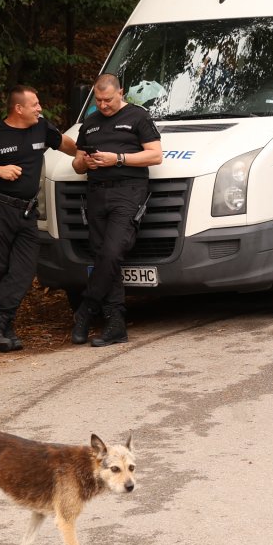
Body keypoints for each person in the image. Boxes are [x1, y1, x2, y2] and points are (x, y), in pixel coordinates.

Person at [0, 85, 78, 351]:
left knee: (24, 268)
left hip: (27, 212)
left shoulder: (42, 127)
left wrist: (85, 153)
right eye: (35, 104)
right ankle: (2, 329)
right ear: (18, 108)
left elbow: (66, 144)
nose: (40, 108)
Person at [71, 73, 164, 346]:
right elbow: (76, 164)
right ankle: (115, 323)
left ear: (120, 92)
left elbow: (155, 155)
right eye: (98, 100)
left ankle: (86, 311)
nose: (103, 105)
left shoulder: (138, 116)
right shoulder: (89, 123)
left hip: (128, 191)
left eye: (108, 100)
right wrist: (85, 164)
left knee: (112, 252)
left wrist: (117, 158)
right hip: (96, 193)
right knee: (102, 256)